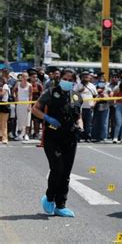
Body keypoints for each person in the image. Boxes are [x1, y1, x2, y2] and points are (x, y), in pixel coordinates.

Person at [32, 68, 83, 217]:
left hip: (70, 138)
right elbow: (35, 109)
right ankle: (49, 198)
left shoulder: (76, 96)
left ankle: (60, 205)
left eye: (71, 79)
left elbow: (78, 116)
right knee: (57, 169)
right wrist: (47, 118)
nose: (68, 81)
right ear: (60, 79)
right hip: (52, 137)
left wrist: (80, 126)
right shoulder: (50, 92)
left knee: (66, 173)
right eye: (65, 78)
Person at [76, 72, 97, 142]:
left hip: (89, 107)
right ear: (81, 78)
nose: (86, 78)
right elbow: (73, 94)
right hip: (79, 108)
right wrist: (79, 91)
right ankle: (78, 137)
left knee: (88, 124)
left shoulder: (92, 86)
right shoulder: (77, 85)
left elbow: (95, 96)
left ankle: (87, 137)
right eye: (84, 76)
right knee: (79, 123)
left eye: (87, 77)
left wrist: (94, 103)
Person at [14, 72, 33, 141]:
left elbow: (31, 96)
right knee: (20, 120)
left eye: (26, 76)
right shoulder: (17, 84)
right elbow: (14, 91)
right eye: (23, 76)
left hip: (27, 103)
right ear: (21, 77)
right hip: (19, 104)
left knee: (27, 120)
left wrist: (29, 105)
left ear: (27, 77)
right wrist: (15, 97)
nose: (24, 78)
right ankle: (20, 134)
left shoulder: (30, 85)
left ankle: (26, 134)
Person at [29, 72, 44, 139]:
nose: (35, 78)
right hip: (28, 104)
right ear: (30, 77)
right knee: (29, 119)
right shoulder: (28, 84)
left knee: (36, 120)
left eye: (36, 77)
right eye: (33, 77)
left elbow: (42, 95)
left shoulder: (39, 85)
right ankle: (28, 133)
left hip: (36, 104)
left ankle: (36, 133)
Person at [0, 78, 10, 144]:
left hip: (4, 105)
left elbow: (1, 94)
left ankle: (5, 138)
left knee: (4, 123)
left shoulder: (5, 86)